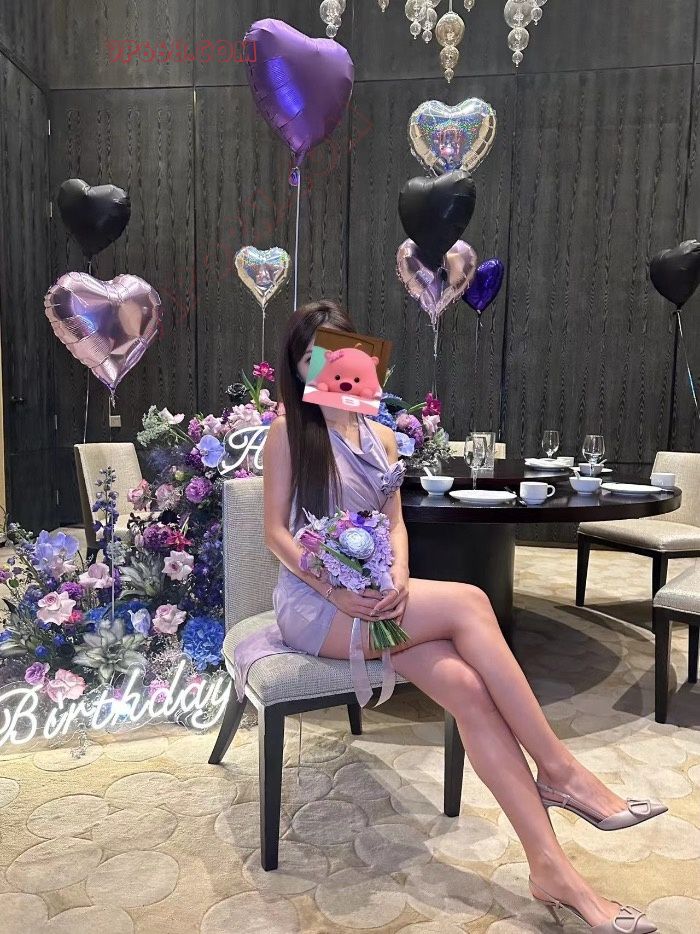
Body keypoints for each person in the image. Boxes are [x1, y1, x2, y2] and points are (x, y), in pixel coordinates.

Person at [261, 300, 666, 932]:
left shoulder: (381, 436)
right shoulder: (289, 435)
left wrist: (399, 576)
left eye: (341, 350)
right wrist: (333, 591)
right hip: (317, 609)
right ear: (299, 365)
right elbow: (276, 535)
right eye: (315, 354)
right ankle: (560, 770)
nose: (332, 364)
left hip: (382, 601)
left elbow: (394, 524)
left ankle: (552, 872)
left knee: (468, 690)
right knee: (472, 602)